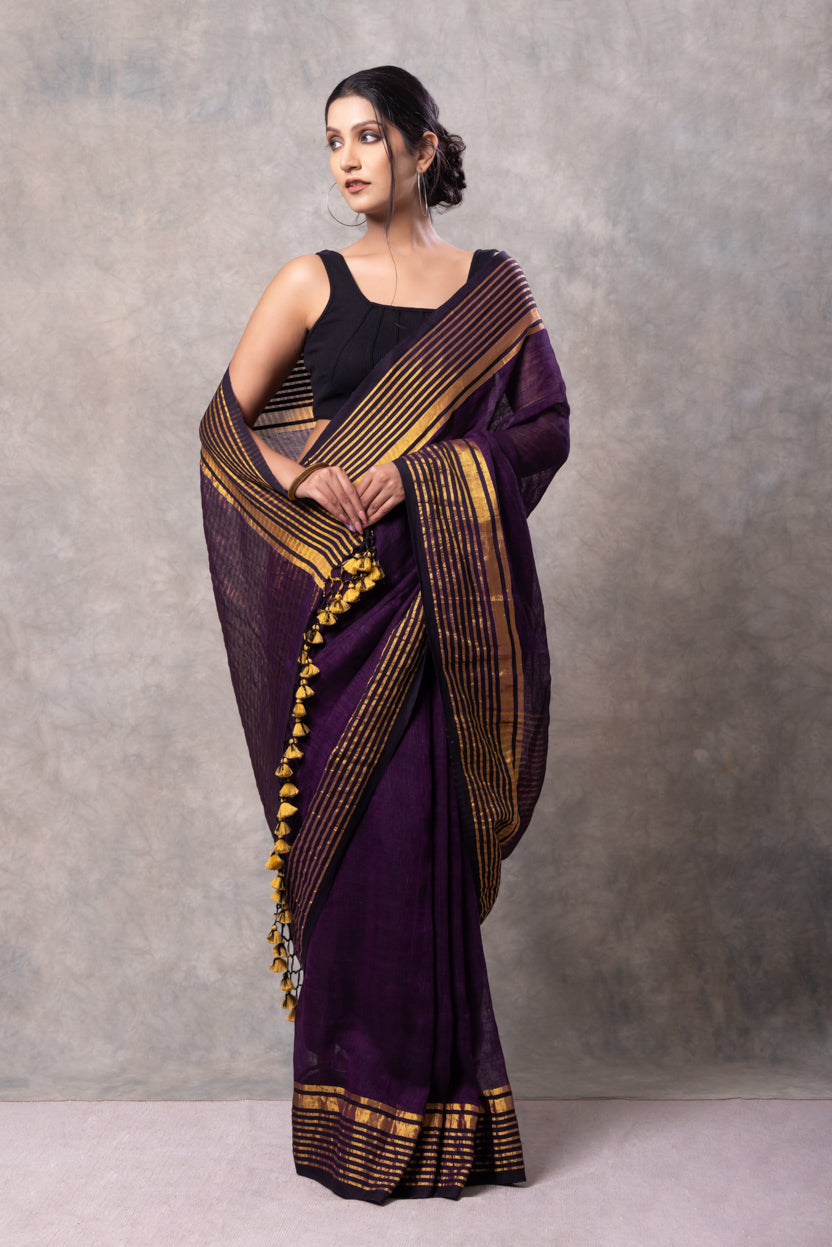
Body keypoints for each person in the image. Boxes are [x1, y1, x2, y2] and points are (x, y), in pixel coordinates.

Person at [199, 65, 570, 1203]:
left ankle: (443, 1123)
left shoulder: (492, 290)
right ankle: (346, 1118)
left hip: (449, 615)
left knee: (425, 858)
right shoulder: (309, 282)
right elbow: (226, 428)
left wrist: (423, 474)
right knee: (357, 858)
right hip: (346, 622)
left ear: (422, 147)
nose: (348, 159)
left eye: (368, 135)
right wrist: (303, 478)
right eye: (333, 141)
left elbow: (545, 428)